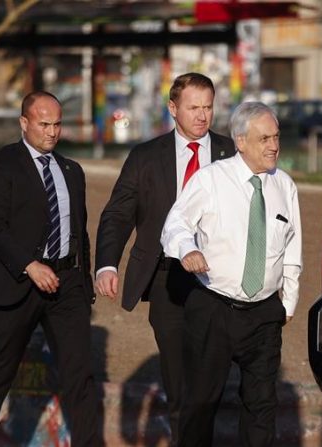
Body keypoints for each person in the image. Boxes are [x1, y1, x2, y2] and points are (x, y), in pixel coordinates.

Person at [94, 72, 235, 445]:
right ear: (173, 108)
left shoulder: (231, 153)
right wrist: (107, 263)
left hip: (216, 281)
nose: (202, 116)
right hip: (165, 280)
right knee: (179, 382)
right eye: (193, 108)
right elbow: (118, 214)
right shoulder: (145, 157)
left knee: (208, 380)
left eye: (208, 107)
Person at [162, 101, 302, 447]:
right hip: (214, 309)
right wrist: (187, 250)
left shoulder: (284, 186)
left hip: (265, 313)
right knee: (201, 403)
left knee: (262, 406)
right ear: (240, 141)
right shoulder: (211, 180)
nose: (274, 146)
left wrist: (289, 302)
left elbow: (293, 247)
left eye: (276, 137)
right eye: (264, 138)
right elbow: (174, 223)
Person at [0, 91, 99, 446]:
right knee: (0, 371)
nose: (52, 132)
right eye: (44, 124)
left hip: (67, 285)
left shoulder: (72, 170)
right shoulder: (1, 163)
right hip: (18, 283)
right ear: (24, 123)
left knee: (79, 375)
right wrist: (30, 265)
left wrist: (83, 284)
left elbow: (79, 230)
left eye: (57, 124)